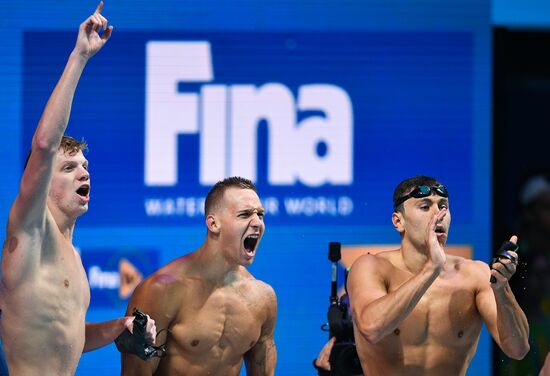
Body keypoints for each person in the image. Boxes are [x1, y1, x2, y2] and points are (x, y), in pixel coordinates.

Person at [0, 3, 155, 375]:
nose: (83, 173)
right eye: (68, 167)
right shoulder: (31, 232)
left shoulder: (73, 254)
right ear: (39, 184)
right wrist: (79, 57)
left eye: (84, 167)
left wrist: (118, 327)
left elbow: (66, 337)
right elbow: (43, 145)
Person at [347, 175, 530, 376]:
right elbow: (371, 328)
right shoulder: (371, 267)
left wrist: (501, 288)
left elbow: (518, 349)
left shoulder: (475, 275)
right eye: (425, 207)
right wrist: (431, 270)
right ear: (399, 222)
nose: (438, 214)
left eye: (443, 206)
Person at [121, 177, 277, 376]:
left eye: (260, 215)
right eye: (245, 214)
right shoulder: (160, 290)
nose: (257, 222)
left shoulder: (263, 298)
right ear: (213, 224)